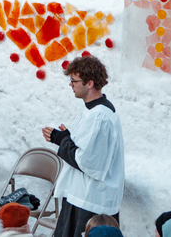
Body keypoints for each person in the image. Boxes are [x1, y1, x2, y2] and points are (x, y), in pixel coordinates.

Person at [42, 55, 124, 237]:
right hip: (79, 193)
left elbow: (89, 162)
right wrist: (66, 137)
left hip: (91, 199)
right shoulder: (90, 109)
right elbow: (87, 147)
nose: (71, 85)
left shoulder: (100, 116)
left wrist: (61, 140)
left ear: (90, 83)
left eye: (74, 81)